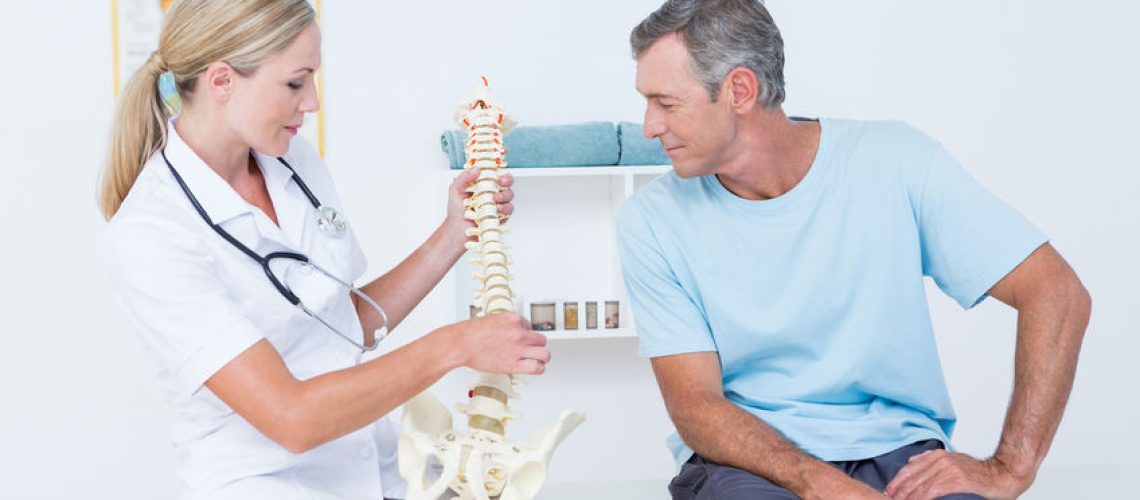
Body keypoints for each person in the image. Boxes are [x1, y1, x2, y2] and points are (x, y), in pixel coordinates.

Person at [616, 1, 1091, 499]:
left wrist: (1010, 467)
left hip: (897, 452)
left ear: (739, 90)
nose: (649, 126)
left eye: (667, 104)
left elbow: (1055, 293)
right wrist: (820, 483)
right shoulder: (651, 220)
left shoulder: (895, 162)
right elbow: (695, 403)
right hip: (744, 460)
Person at [99, 1, 548, 499]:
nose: (311, 102)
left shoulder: (292, 163)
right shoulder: (152, 233)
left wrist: (451, 237)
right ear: (222, 81)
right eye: (296, 82)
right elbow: (291, 417)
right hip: (260, 483)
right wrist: (457, 345)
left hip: (371, 465)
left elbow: (339, 324)